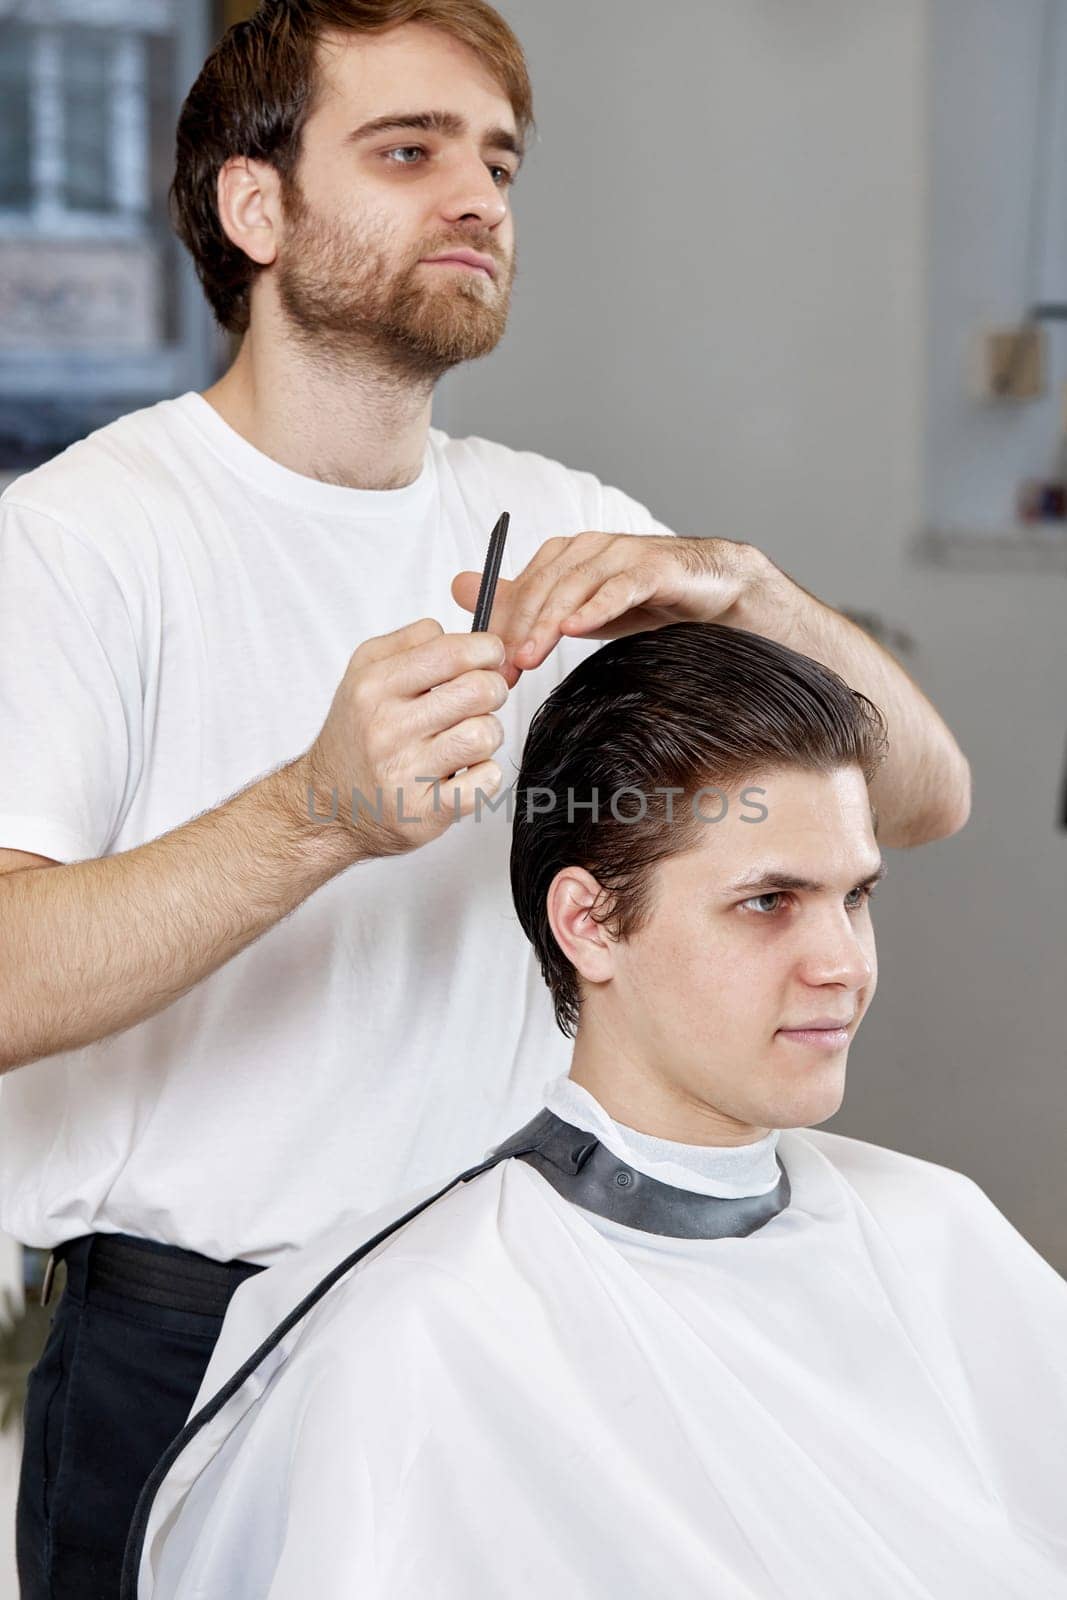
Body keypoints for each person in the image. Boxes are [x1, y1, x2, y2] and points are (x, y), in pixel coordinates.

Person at [1, 2, 971, 1593]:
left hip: (514, 1324)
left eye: (499, 162)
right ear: (256, 208)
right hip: (179, 1354)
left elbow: (918, 797)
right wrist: (313, 812)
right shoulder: (83, 540)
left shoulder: (565, 522)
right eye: (407, 150)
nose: (478, 198)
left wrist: (742, 586)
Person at [125, 621, 1067, 1600]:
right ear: (589, 922)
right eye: (767, 902)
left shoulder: (937, 1231)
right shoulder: (429, 1328)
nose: (842, 965)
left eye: (854, 897)